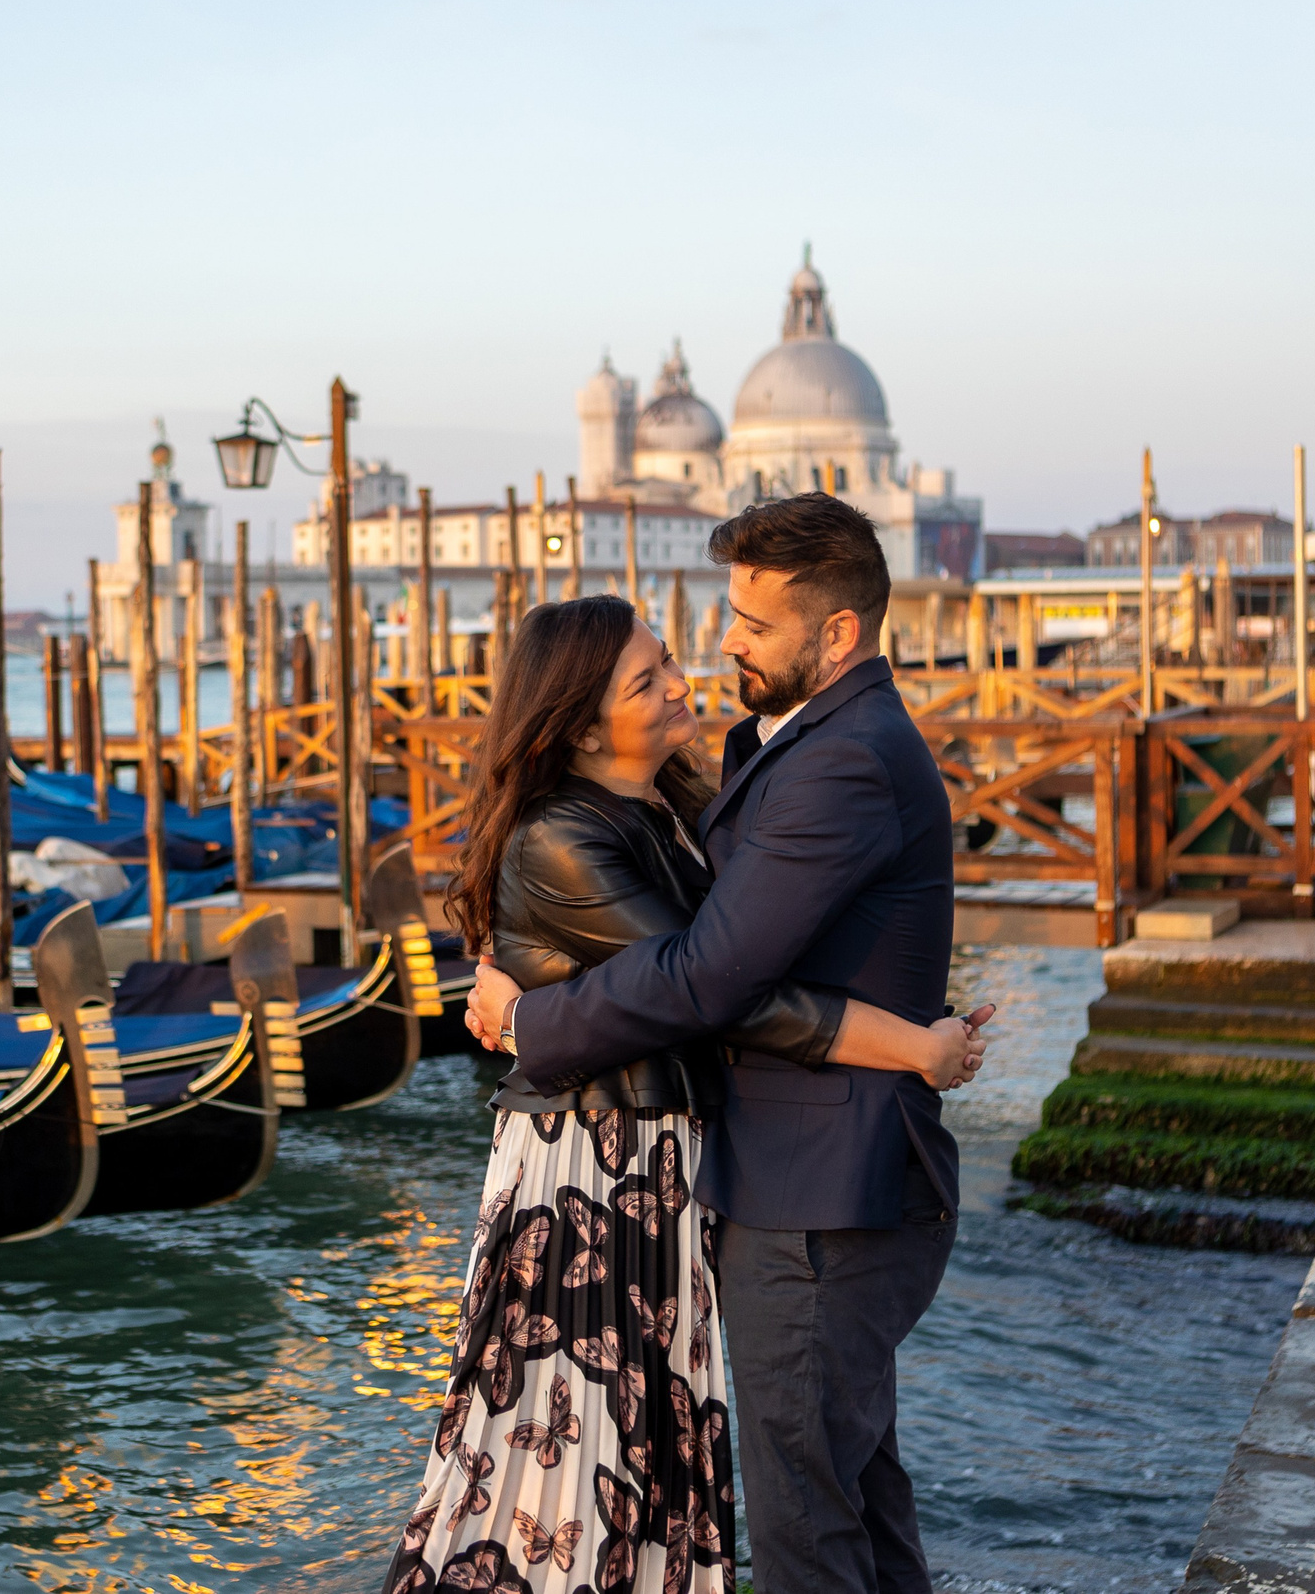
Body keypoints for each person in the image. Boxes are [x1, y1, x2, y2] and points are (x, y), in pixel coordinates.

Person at [388, 593, 984, 1594]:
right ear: (578, 725)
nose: (681, 682)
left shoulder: (671, 805)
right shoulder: (561, 836)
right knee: (568, 1457)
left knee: (650, 1445)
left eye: (665, 663)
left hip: (660, 1161)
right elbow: (717, 994)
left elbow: (727, 969)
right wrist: (911, 1046)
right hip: (594, 1169)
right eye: (646, 680)